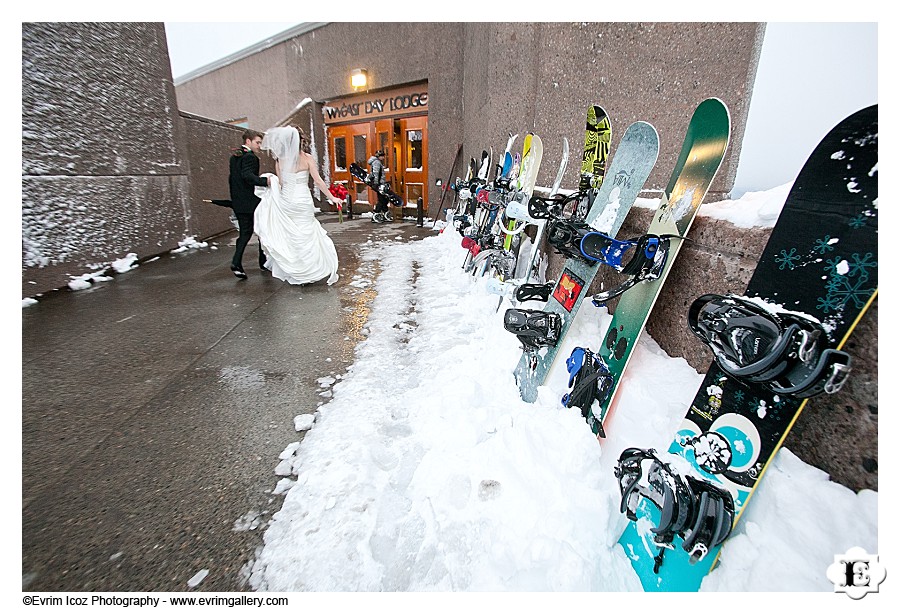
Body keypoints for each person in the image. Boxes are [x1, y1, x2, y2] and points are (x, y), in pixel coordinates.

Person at [254, 125, 343, 285]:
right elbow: (318, 181)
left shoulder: (280, 160)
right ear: (300, 141)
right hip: (303, 201)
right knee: (306, 234)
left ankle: (299, 272)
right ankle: (310, 270)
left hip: (287, 200)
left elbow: (280, 183)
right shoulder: (307, 158)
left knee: (293, 237)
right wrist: (332, 198)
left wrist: (273, 193)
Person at [228, 129, 271, 279]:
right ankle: (263, 262)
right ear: (248, 141)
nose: (259, 146)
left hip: (239, 202)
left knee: (245, 234)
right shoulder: (250, 157)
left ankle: (237, 262)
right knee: (262, 230)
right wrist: (266, 181)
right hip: (251, 202)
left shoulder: (235, 156)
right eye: (257, 142)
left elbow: (233, 179)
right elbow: (247, 176)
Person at [367, 149, 392, 223]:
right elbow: (376, 173)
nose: (383, 158)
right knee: (382, 199)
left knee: (384, 199)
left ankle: (385, 211)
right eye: (382, 156)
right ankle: (376, 213)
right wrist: (376, 183)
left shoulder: (376, 162)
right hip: (379, 184)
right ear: (379, 156)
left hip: (380, 183)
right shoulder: (377, 162)